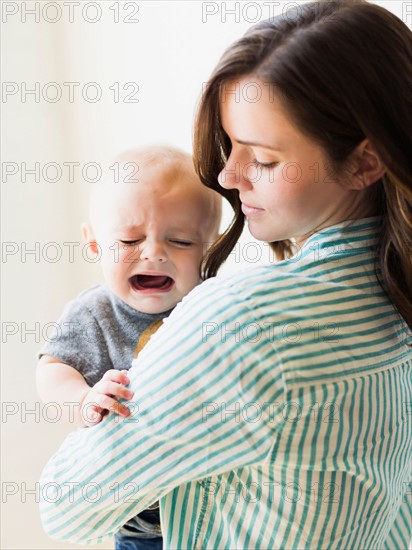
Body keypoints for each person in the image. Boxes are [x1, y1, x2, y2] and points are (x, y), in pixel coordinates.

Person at [39, 1, 412, 548]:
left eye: (261, 158)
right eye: (229, 146)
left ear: (363, 161)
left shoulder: (243, 319)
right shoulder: (395, 299)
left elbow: (67, 505)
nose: (225, 175)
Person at [36, 145, 222, 550]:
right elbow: (51, 371)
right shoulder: (96, 312)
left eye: (181, 241)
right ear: (95, 243)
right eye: (129, 239)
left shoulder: (213, 304)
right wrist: (84, 398)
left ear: (212, 246)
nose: (154, 252)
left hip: (217, 517)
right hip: (141, 529)